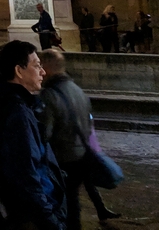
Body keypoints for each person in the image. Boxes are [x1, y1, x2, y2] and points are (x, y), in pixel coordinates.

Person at [0, 40, 66, 230]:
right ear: (19, 71)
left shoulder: (14, 105)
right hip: (32, 216)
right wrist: (50, 220)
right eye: (36, 66)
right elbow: (25, 173)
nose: (43, 72)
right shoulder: (18, 113)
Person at [39, 49, 120, 230]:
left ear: (47, 68)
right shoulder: (78, 90)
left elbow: (45, 133)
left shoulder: (50, 95)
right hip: (82, 154)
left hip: (62, 158)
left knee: (64, 203)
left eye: (40, 66)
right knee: (73, 200)